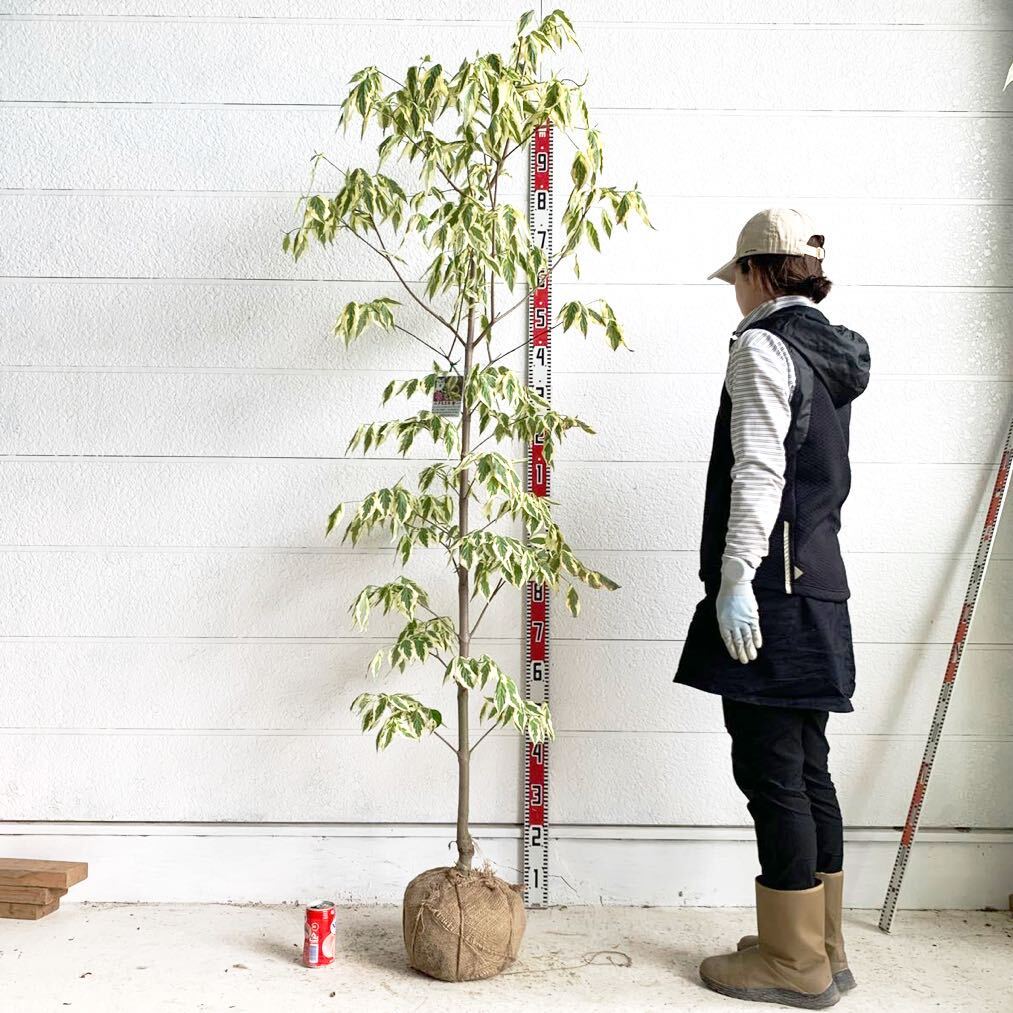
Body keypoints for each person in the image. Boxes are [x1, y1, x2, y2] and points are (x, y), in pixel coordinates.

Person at [673, 208, 871, 1009]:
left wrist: (732, 579)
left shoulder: (762, 345)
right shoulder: (829, 352)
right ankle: (821, 945)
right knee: (807, 765)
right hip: (820, 584)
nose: (734, 294)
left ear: (756, 274)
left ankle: (792, 964)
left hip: (770, 591)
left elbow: (756, 470)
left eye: (736, 279)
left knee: (769, 770)